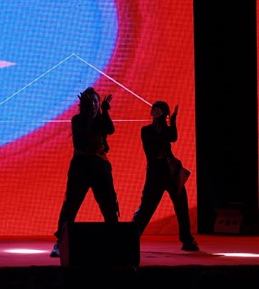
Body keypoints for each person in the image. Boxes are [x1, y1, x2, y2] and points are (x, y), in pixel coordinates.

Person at [50, 87, 118, 258]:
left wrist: (105, 111)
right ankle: (60, 242)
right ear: (84, 104)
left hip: (100, 165)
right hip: (81, 166)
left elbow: (110, 130)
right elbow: (84, 141)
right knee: (71, 205)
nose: (94, 105)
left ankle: (115, 241)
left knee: (109, 204)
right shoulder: (78, 120)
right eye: (91, 102)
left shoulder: (101, 119)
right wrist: (91, 115)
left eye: (96, 102)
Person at [132, 101, 199, 251]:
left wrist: (172, 121)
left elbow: (173, 137)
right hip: (155, 172)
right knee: (147, 206)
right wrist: (165, 127)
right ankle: (131, 237)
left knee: (181, 205)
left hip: (170, 171)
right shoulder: (146, 130)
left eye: (159, 110)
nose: (156, 111)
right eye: (155, 109)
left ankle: (187, 239)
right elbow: (157, 144)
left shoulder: (166, 130)